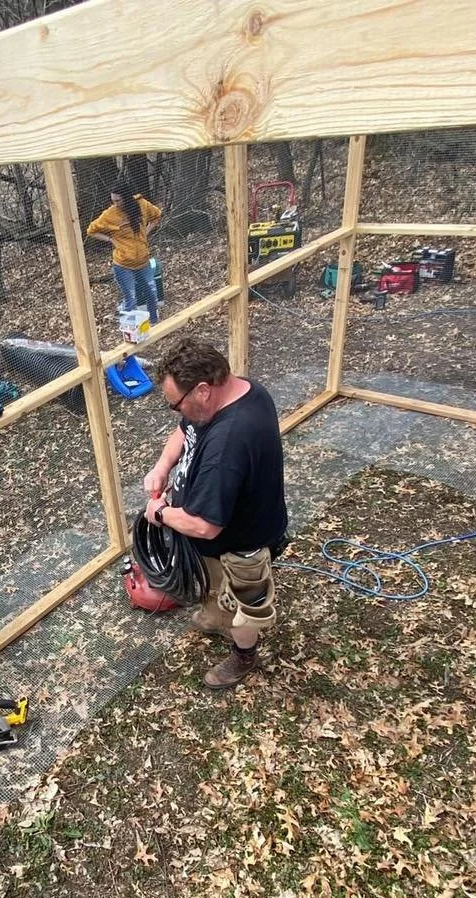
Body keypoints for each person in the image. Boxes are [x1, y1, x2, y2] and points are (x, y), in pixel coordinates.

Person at [143, 338, 288, 689]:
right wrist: (163, 466)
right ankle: (215, 614)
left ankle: (244, 656)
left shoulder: (229, 442)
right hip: (222, 534)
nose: (178, 413)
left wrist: (159, 512)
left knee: (245, 606)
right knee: (212, 583)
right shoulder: (243, 390)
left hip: (241, 544)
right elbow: (184, 431)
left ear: (203, 390)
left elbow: (204, 526)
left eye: (177, 404)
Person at [86, 179, 161, 324]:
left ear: (127, 197)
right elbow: (91, 230)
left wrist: (146, 231)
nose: (115, 204)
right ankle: (129, 328)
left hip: (143, 262)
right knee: (131, 299)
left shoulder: (142, 204)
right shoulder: (110, 214)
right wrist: (110, 239)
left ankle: (154, 322)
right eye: (113, 200)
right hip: (123, 265)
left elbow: (156, 215)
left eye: (118, 200)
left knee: (151, 294)